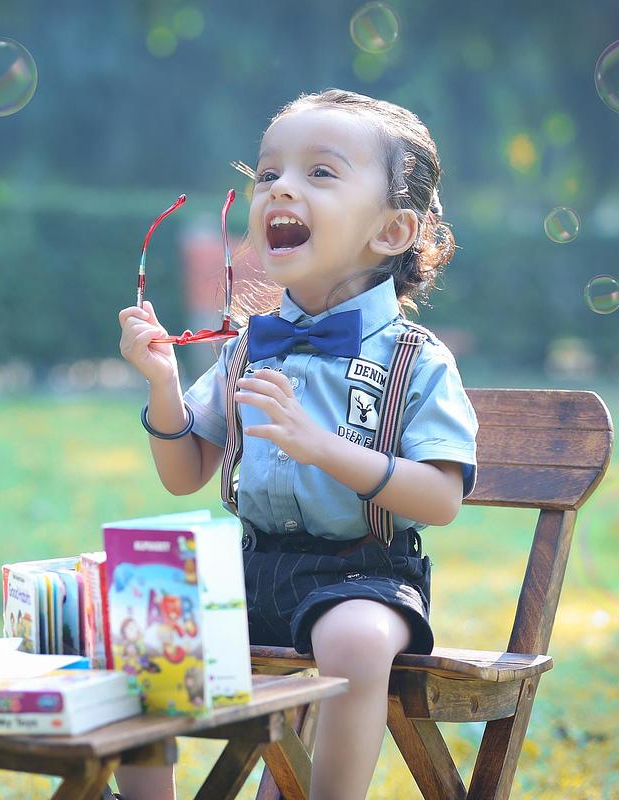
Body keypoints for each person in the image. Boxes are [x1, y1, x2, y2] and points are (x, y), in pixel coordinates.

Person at [114, 88, 478, 800]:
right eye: (268, 172)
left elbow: (440, 499)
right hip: (253, 569)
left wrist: (325, 448)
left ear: (393, 229)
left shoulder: (417, 360)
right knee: (143, 601)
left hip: (362, 577)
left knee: (356, 642)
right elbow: (184, 473)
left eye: (320, 172)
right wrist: (162, 383)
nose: (280, 185)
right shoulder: (250, 348)